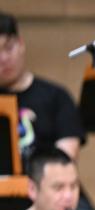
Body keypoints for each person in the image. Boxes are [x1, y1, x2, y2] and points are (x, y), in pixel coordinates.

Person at [0, 12, 85, 162]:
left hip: (43, 176)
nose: (4, 58)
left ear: (21, 44)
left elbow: (67, 157)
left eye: (9, 48)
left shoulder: (56, 97)